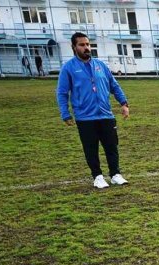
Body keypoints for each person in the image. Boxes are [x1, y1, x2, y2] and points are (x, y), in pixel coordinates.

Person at [56, 32, 130, 189]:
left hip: (106, 114)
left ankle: (115, 174)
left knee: (112, 146)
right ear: (74, 47)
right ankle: (97, 176)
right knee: (91, 148)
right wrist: (65, 113)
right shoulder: (68, 68)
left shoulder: (100, 65)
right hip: (85, 117)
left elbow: (113, 85)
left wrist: (123, 103)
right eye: (82, 45)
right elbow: (62, 93)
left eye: (88, 44)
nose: (86, 47)